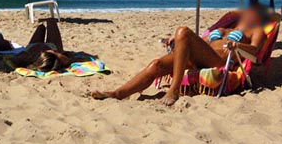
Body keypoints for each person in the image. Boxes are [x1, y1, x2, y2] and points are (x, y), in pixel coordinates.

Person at [92, 7, 269, 106]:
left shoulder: (256, 30)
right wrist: (176, 40)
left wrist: (237, 45)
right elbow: (202, 41)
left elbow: (255, 51)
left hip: (219, 59)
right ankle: (117, 94)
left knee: (183, 31)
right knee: (156, 65)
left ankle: (174, 89)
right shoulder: (225, 27)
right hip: (201, 54)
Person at [9, 19, 84, 72]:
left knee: (41, 27)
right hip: (52, 45)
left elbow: (12, 59)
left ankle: (43, 25)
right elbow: (69, 60)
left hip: (33, 46)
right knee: (51, 22)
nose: (42, 50)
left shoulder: (26, 57)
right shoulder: (54, 56)